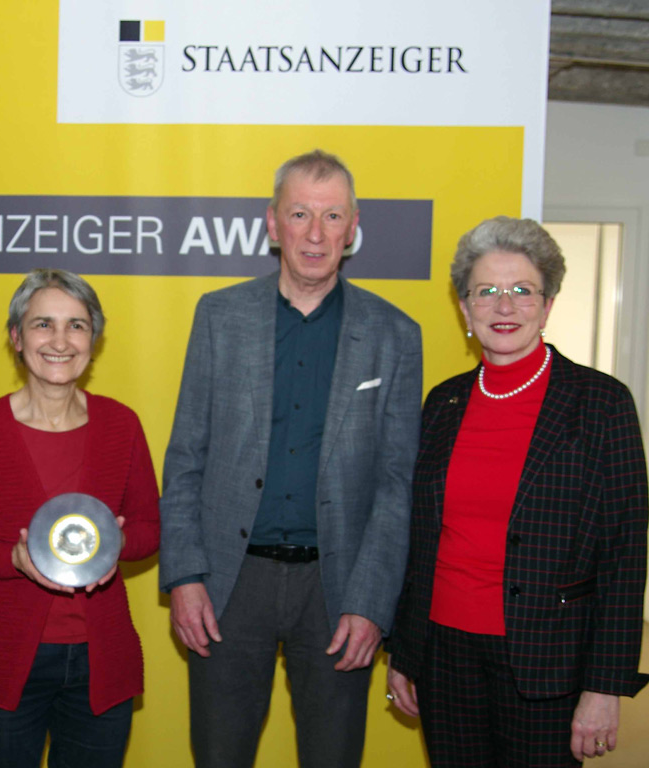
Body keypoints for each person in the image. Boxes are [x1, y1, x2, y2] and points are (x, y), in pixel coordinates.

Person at [159, 149, 422, 767]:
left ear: (353, 228)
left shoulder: (395, 334)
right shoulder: (219, 317)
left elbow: (395, 484)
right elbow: (185, 455)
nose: (315, 233)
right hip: (229, 582)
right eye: (300, 213)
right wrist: (186, 575)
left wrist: (372, 602)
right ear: (273, 223)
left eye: (332, 217)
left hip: (337, 592)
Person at [386, 216, 649, 767]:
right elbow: (418, 540)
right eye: (486, 292)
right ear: (464, 308)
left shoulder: (601, 404)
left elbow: (625, 555)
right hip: (445, 655)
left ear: (547, 305)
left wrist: (605, 687)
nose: (504, 307)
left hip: (548, 661)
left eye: (522, 291)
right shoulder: (442, 403)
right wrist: (405, 654)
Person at [0, 268, 160, 768]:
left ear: (95, 338)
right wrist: (12, 558)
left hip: (100, 662)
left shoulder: (121, 425)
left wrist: (114, 547)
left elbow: (150, 527)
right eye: (43, 324)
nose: (61, 341)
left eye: (77, 325)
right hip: (0, 662)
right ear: (16, 338)